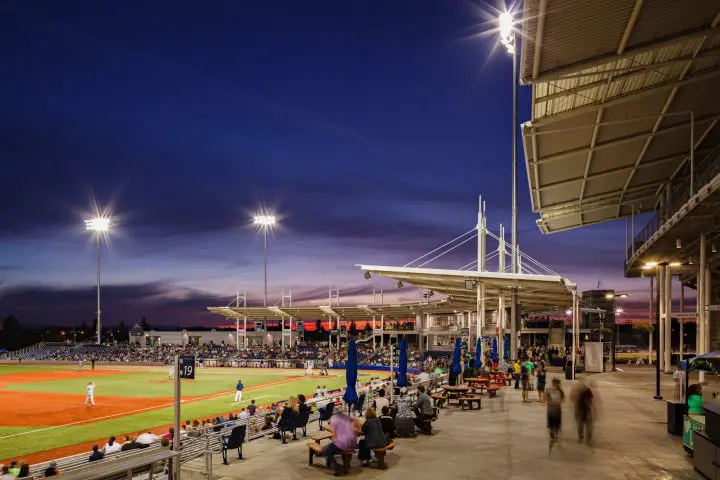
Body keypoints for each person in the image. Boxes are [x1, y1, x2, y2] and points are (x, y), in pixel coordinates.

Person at [571, 379, 595, 445]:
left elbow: (591, 400)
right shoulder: (578, 391)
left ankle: (585, 439)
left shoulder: (587, 390)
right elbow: (574, 399)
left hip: (586, 411)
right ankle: (581, 438)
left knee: (586, 426)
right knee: (581, 426)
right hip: (581, 411)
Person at [546, 378, 565, 454]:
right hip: (551, 410)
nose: (559, 385)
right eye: (558, 383)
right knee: (551, 424)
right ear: (555, 384)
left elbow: (563, 398)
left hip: (557, 409)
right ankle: (552, 435)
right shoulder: (549, 390)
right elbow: (546, 399)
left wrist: (559, 402)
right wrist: (551, 402)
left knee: (557, 423)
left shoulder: (560, 391)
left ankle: (555, 433)